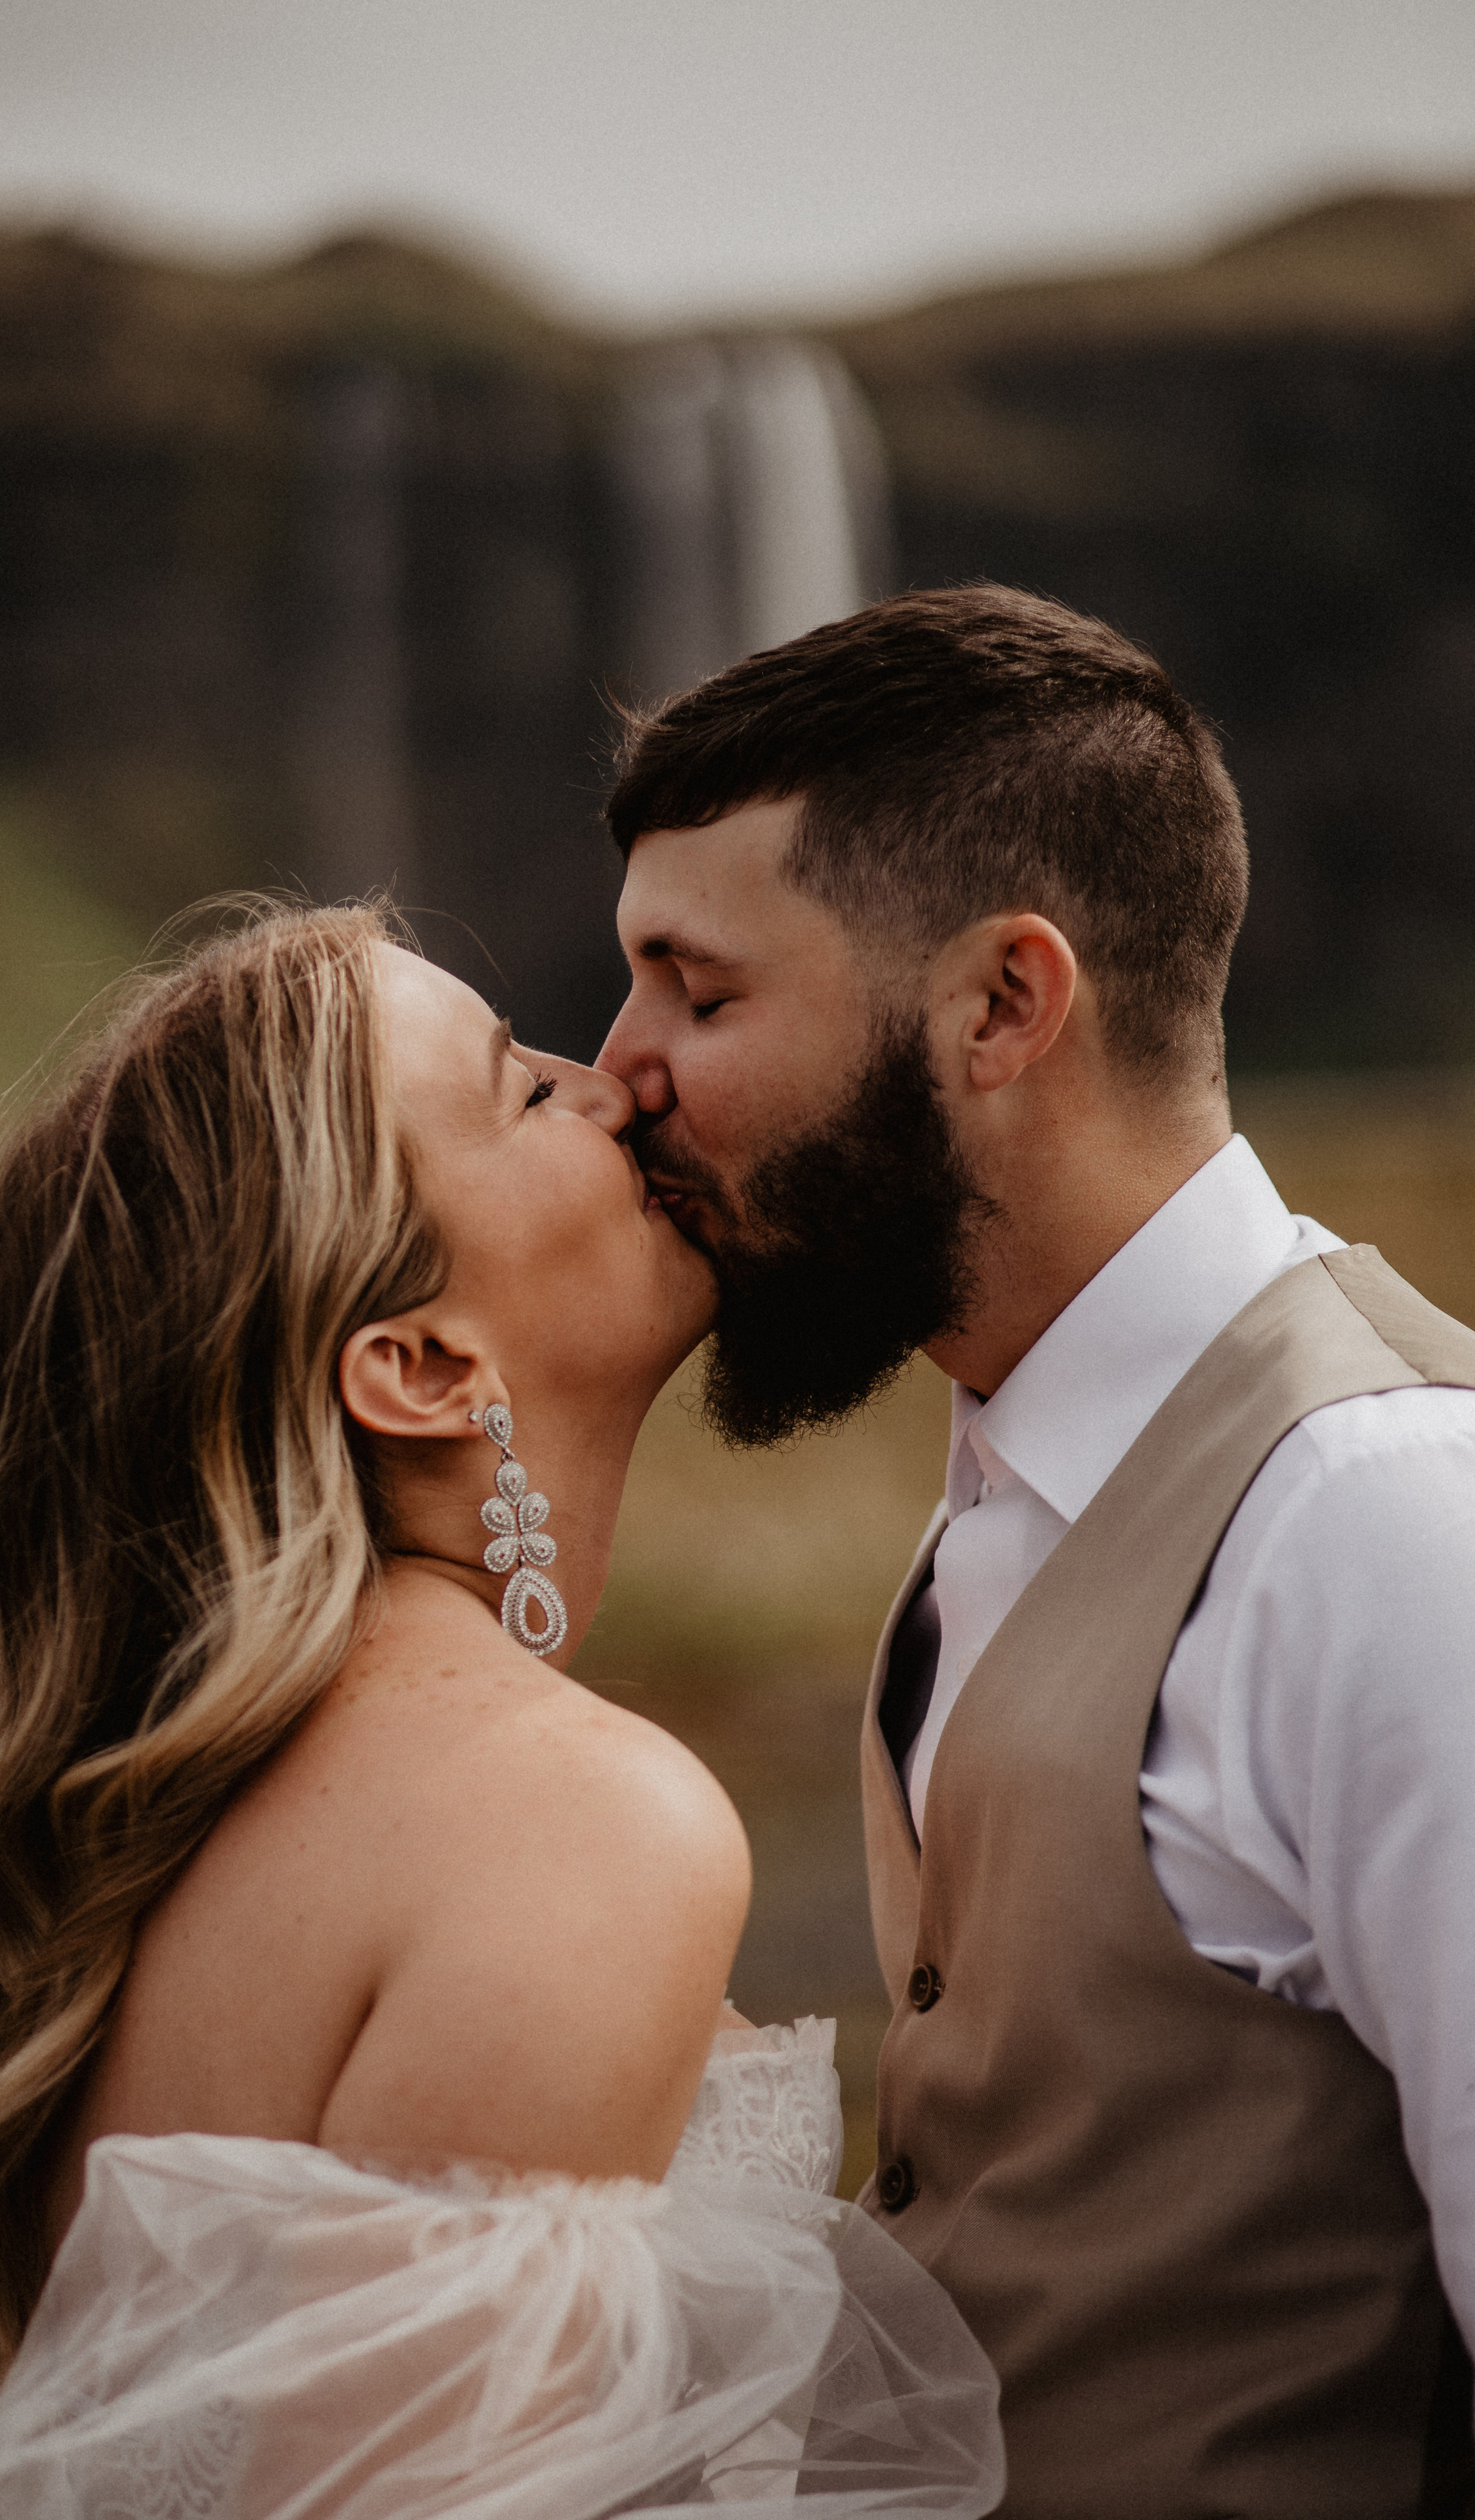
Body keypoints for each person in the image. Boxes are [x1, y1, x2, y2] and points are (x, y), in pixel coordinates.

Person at [0, 904, 1002, 2519]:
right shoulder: (565, 1820)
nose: (605, 1087)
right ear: (420, 1367)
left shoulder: (169, 1840)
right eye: (518, 1093)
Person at [597, 585, 1475, 2520]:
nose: (615, 1071)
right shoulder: (1000, 1485)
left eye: (700, 989)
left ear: (1005, 1004)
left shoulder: (1389, 1521)